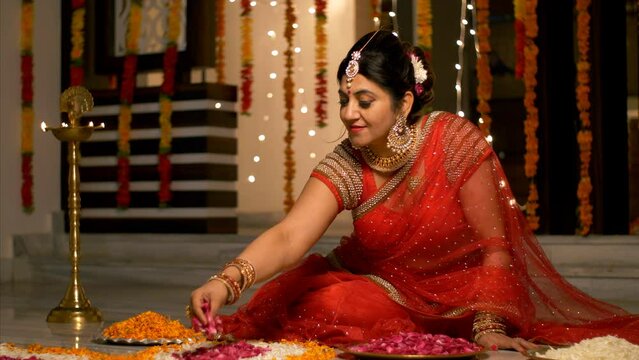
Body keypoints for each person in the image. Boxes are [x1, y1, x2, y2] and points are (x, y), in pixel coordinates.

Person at [190, 29, 639, 353]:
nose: (349, 114)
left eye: (364, 101)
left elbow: (496, 248)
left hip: (465, 299)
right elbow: (290, 236)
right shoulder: (348, 161)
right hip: (374, 288)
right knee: (329, 301)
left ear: (404, 101)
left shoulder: (453, 141)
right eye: (345, 100)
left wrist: (487, 324)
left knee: (341, 308)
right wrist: (225, 282)